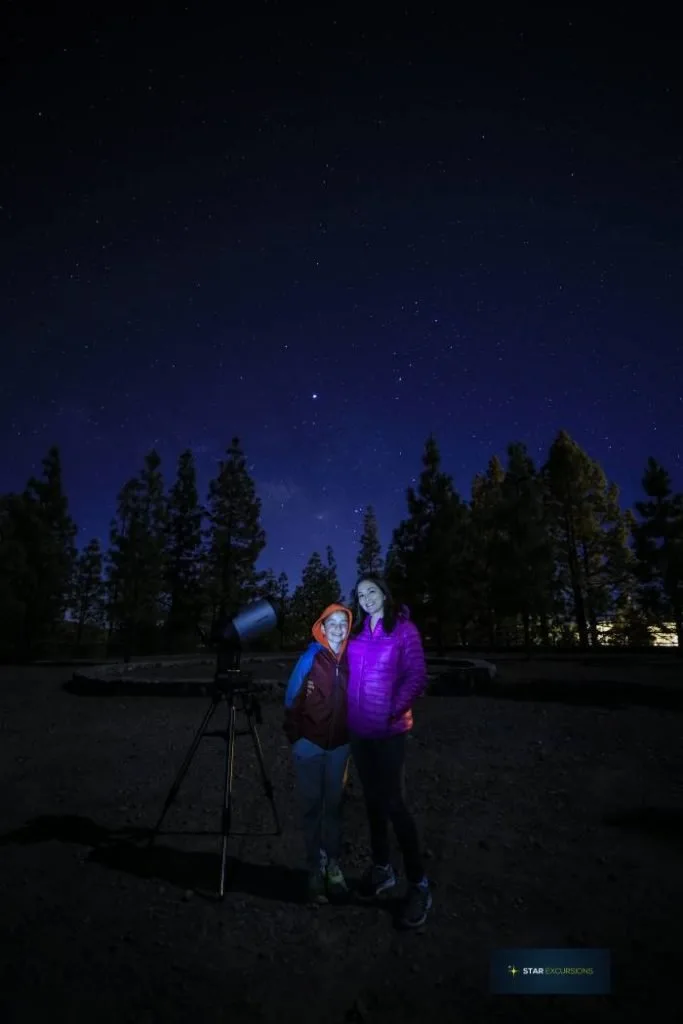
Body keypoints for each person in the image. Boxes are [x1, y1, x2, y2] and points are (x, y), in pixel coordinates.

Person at [347, 576, 432, 928]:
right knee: (371, 801)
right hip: (359, 732)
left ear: (384, 594)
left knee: (394, 803)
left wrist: (391, 709)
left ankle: (419, 884)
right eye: (360, 593)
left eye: (371, 591)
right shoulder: (356, 634)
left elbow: (417, 676)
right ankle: (382, 869)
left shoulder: (404, 631)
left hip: (389, 731)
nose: (365, 597)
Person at [283, 603, 352, 904]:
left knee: (334, 808)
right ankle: (315, 869)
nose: (338, 628)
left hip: (340, 746)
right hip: (309, 746)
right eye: (332, 623)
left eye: (343, 623)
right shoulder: (310, 658)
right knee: (313, 808)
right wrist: (297, 740)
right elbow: (291, 700)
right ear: (321, 628)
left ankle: (333, 866)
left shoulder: (353, 660)